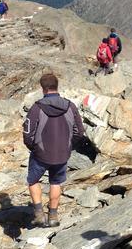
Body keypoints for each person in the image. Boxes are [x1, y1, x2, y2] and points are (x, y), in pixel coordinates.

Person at [23, 73, 86, 227]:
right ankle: (53, 216)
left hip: (41, 154)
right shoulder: (70, 106)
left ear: (43, 88)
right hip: (62, 154)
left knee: (33, 180)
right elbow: (80, 131)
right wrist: (69, 146)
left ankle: (39, 213)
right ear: (57, 86)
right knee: (56, 182)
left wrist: (34, 148)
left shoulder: (37, 107)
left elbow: (27, 133)